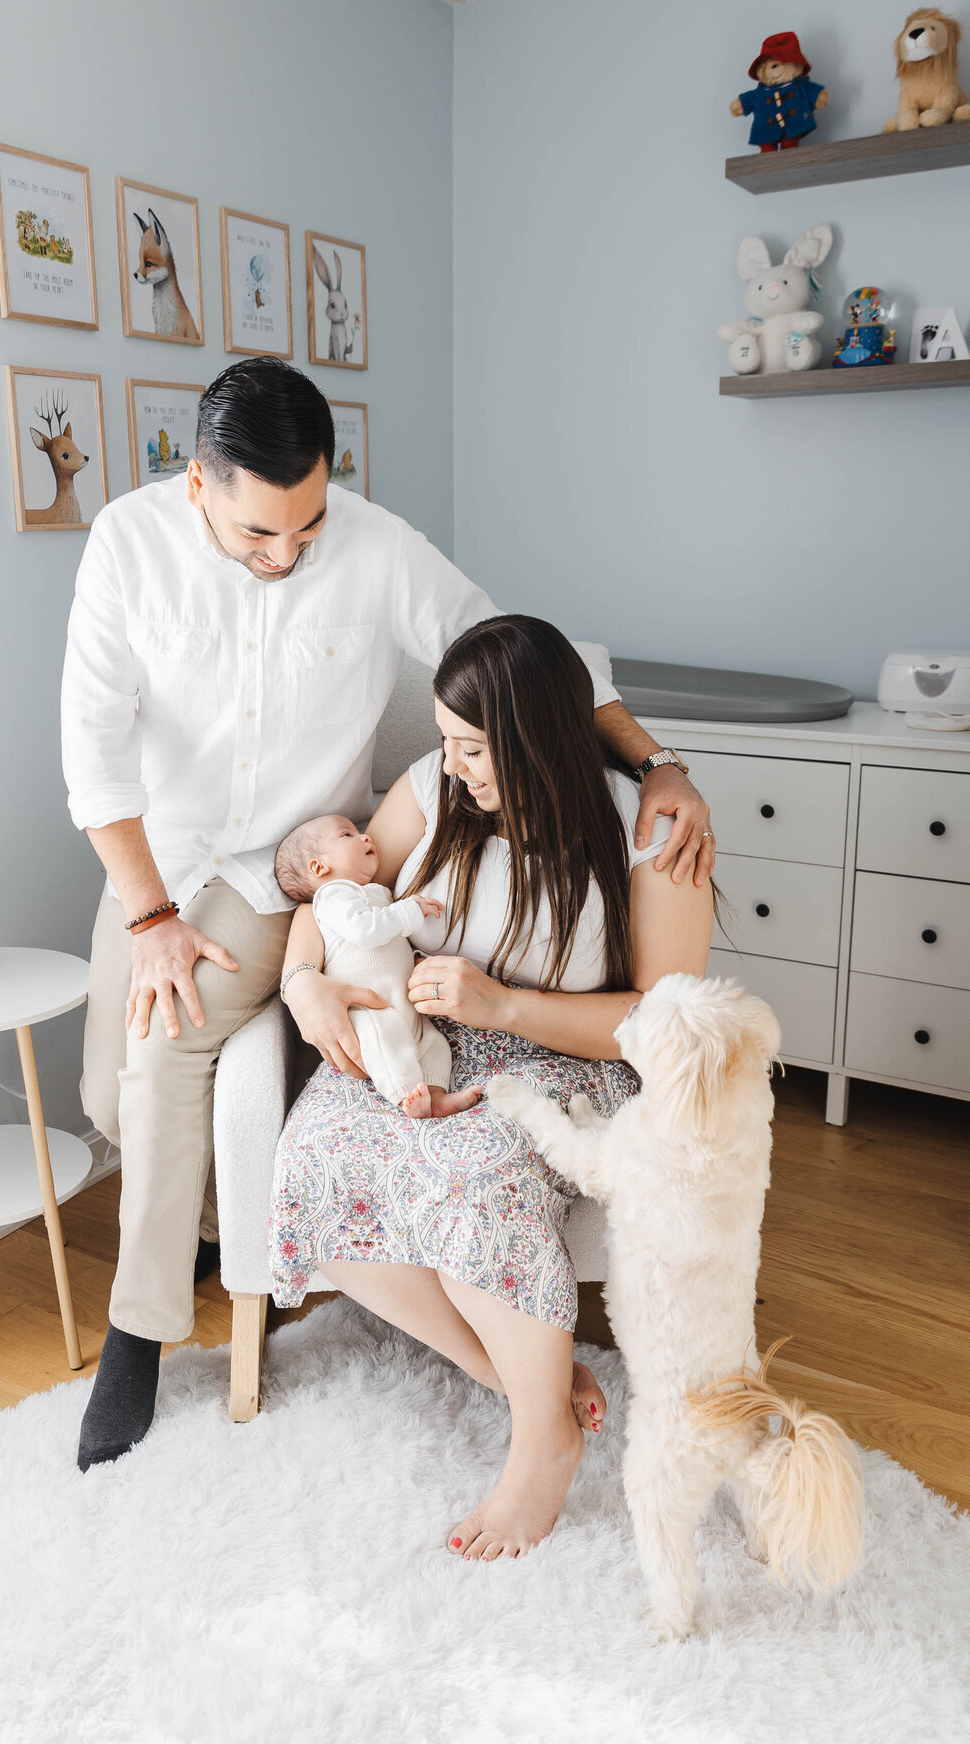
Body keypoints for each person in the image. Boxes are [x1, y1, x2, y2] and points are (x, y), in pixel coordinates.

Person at [60, 358, 714, 1472]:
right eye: (259, 534)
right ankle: (216, 1228)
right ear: (198, 486)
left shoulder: (371, 544)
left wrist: (657, 762)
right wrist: (148, 917)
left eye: (306, 525)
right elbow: (95, 752)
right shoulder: (125, 546)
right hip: (157, 862)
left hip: (290, 865)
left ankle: (139, 1333)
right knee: (106, 1099)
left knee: (165, 1047)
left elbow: (526, 656)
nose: (287, 554)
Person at [270, 615, 715, 1560]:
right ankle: (535, 1399)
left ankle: (538, 1452)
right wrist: (302, 981)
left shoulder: (644, 831)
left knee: (476, 1185)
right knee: (313, 1166)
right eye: (445, 740)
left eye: (473, 747)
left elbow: (661, 1022)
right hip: (420, 1045)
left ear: (533, 739)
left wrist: (506, 1007)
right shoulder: (434, 790)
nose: (451, 764)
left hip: (560, 1055)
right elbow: (332, 900)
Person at [274, 813, 481, 1120]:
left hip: (401, 998)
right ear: (319, 867)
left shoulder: (375, 893)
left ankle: (436, 1096)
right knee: (387, 1039)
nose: (365, 837)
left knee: (433, 1043)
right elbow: (365, 931)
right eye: (347, 835)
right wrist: (409, 911)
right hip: (368, 1007)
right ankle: (405, 1094)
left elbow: (392, 942)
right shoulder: (332, 897)